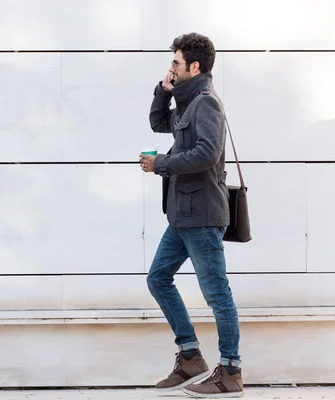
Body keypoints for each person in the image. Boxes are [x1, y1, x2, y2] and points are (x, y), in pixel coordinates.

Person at [139, 32, 244, 398]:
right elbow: (157, 123)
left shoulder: (206, 103)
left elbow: (206, 153)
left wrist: (161, 164)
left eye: (176, 63)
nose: (171, 67)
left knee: (217, 295)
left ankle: (230, 371)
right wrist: (163, 90)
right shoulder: (186, 102)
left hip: (202, 214)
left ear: (194, 66)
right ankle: (190, 357)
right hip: (181, 215)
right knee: (158, 279)